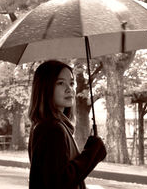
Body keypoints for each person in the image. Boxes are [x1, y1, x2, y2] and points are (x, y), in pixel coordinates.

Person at [28, 60, 106, 189]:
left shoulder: (49, 125)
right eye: (60, 83)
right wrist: (93, 152)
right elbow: (59, 182)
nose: (69, 89)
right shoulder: (52, 129)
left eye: (71, 83)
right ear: (45, 87)